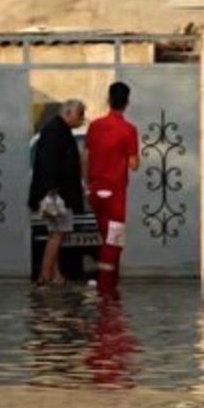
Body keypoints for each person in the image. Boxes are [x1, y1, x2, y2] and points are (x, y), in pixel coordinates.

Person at [83, 82, 139, 296]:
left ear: (109, 100)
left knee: (106, 236)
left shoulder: (95, 126)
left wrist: (88, 185)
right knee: (114, 242)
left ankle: (110, 284)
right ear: (127, 103)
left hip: (96, 192)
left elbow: (85, 157)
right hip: (115, 194)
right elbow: (133, 164)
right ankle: (106, 288)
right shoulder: (128, 130)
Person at [28, 99, 86, 286]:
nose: (82, 119)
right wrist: (53, 191)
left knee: (56, 233)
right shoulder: (55, 131)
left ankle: (55, 274)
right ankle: (45, 276)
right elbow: (50, 163)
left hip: (56, 193)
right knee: (58, 234)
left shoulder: (57, 129)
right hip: (57, 195)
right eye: (80, 114)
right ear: (69, 113)